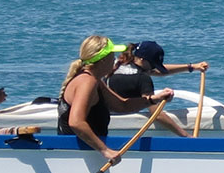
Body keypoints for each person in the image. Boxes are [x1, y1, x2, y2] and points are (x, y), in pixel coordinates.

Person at [58, 35, 174, 163]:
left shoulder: (94, 80)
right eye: (111, 56)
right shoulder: (87, 82)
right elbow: (76, 122)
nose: (114, 59)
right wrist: (105, 150)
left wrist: (154, 99)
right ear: (102, 60)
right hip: (75, 154)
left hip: (83, 153)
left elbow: (122, 105)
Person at [108, 41, 209, 137]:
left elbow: (157, 71)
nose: (153, 68)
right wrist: (185, 135)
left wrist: (191, 67)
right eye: (153, 64)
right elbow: (156, 114)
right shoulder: (142, 78)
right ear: (142, 60)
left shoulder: (113, 66)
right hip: (125, 122)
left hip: (105, 116)